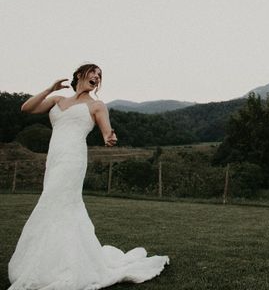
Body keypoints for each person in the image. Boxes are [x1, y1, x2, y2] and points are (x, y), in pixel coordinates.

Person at [9, 64, 169, 290]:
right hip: (54, 158)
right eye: (92, 72)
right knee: (55, 206)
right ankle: (51, 262)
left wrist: (109, 137)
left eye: (99, 75)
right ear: (79, 75)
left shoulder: (97, 105)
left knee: (54, 202)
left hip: (73, 159)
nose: (96, 77)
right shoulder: (57, 101)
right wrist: (50, 88)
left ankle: (64, 266)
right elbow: (26, 108)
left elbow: (106, 132)